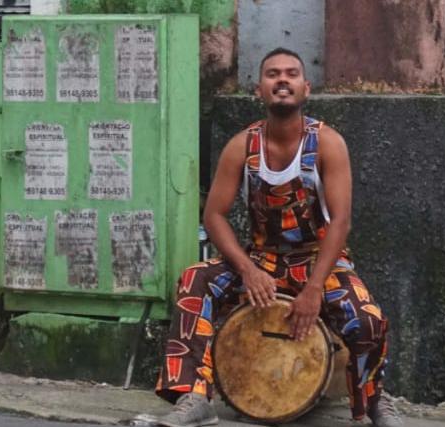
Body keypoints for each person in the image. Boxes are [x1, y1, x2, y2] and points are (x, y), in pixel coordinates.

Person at [153, 47, 402, 427]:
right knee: (194, 281)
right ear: (259, 89)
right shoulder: (243, 145)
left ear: (306, 88)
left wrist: (315, 288)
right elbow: (214, 215)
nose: (282, 80)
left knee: (367, 318)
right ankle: (194, 397)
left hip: (320, 259)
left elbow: (340, 222)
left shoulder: (328, 143)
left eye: (290, 74)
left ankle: (373, 402)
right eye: (272, 74)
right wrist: (247, 271)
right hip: (262, 259)